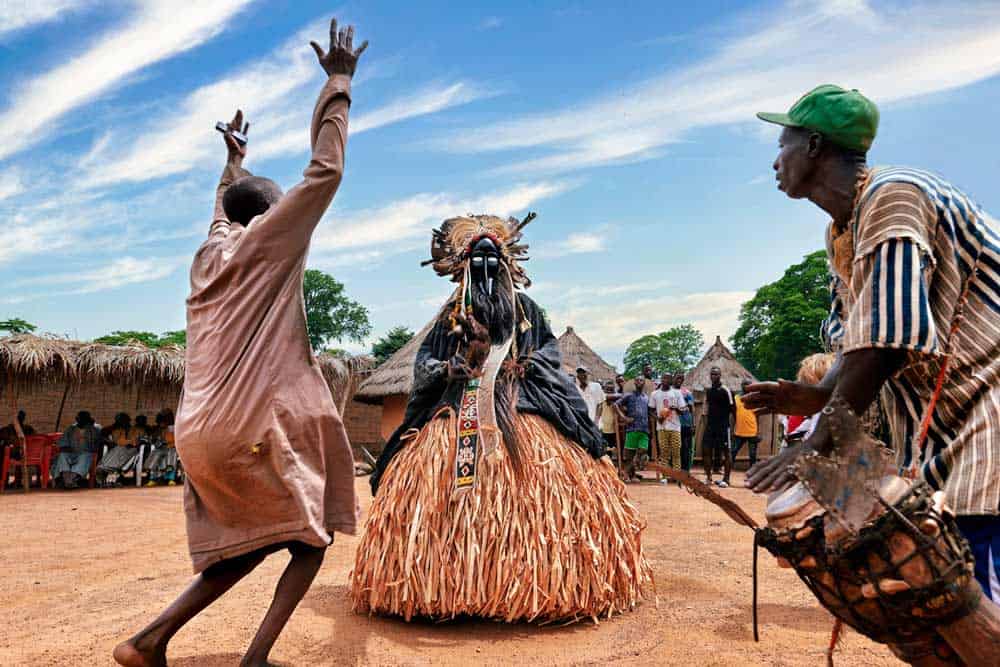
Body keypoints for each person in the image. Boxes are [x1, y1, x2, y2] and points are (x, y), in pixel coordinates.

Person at [114, 20, 367, 667]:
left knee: (259, 539)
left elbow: (220, 209)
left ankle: (150, 640)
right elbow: (326, 170)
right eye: (279, 206)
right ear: (268, 217)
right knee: (310, 542)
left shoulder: (211, 253)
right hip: (243, 428)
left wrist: (233, 159)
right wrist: (338, 82)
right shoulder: (266, 247)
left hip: (195, 431)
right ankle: (253, 661)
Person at [746, 84, 1000, 663]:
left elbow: (885, 344)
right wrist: (810, 397)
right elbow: (859, 346)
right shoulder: (844, 230)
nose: (775, 158)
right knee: (932, 611)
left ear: (814, 145)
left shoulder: (893, 197)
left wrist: (813, 448)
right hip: (946, 427)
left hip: (988, 423)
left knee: (976, 603)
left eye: (783, 141)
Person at [353, 212, 648, 623]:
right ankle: (441, 585)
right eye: (478, 263)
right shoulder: (451, 314)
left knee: (543, 485)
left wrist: (524, 366)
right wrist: (451, 368)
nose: (487, 271)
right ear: (463, 269)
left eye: (494, 263)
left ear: (508, 267)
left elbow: (547, 355)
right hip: (457, 408)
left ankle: (537, 586)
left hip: (522, 404)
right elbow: (426, 362)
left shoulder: (525, 309)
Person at [615, 375, 653, 482]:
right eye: (637, 380)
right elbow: (615, 405)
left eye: (641, 380)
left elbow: (650, 411)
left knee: (643, 450)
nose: (639, 382)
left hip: (644, 430)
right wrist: (623, 417)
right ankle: (629, 475)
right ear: (634, 383)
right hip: (632, 429)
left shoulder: (646, 398)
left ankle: (625, 473)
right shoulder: (628, 396)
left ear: (644, 383)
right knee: (629, 456)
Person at [51, 411, 101, 489]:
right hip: (71, 452)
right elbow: (62, 443)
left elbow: (97, 445)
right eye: (79, 418)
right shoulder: (70, 429)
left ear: (88, 419)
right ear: (77, 419)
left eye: (84, 419)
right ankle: (68, 480)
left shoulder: (94, 430)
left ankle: (70, 479)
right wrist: (66, 448)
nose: (81, 420)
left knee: (86, 456)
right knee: (62, 455)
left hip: (85, 453)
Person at [702, 367, 734, 488]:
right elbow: (708, 408)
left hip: (723, 427)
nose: (713, 376)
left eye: (716, 374)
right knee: (706, 450)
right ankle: (709, 477)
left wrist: (731, 425)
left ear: (720, 375)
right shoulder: (709, 391)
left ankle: (726, 479)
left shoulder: (725, 390)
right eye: (712, 374)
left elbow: (733, 409)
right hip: (711, 426)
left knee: (726, 451)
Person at [649, 372, 684, 483]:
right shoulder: (655, 394)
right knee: (664, 451)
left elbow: (683, 410)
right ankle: (664, 476)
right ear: (661, 379)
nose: (665, 380)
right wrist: (657, 418)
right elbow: (650, 410)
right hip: (662, 427)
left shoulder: (677, 393)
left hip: (675, 427)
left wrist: (676, 409)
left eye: (668, 378)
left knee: (676, 451)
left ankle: (676, 475)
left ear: (671, 380)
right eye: (664, 378)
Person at [98, 413, 139, 486]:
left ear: (127, 421)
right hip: (119, 449)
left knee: (119, 449)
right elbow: (114, 440)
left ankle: (108, 468)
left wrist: (125, 442)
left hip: (131, 450)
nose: (121, 423)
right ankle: (106, 469)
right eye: (119, 421)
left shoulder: (133, 430)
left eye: (123, 421)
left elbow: (133, 442)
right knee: (117, 449)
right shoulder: (116, 429)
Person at [144, 409, 179, 486]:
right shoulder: (158, 429)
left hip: (171, 448)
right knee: (155, 456)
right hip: (160, 448)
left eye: (163, 422)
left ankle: (171, 479)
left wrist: (168, 440)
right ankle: (153, 479)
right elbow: (154, 439)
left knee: (170, 457)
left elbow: (173, 439)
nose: (161, 424)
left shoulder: (173, 428)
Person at [731, 380, 760, 467]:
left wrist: (758, 430)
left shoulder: (754, 398)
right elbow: (733, 412)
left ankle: (752, 469)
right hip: (739, 430)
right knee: (733, 450)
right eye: (744, 384)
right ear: (741, 385)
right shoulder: (736, 398)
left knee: (752, 453)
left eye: (748, 385)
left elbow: (758, 415)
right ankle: (728, 467)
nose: (746, 386)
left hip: (752, 430)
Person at [674, 374, 696, 471]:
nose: (679, 380)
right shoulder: (669, 392)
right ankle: (675, 471)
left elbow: (692, 409)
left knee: (686, 448)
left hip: (686, 423)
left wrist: (693, 424)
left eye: (681, 378)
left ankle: (685, 471)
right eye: (678, 378)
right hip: (673, 424)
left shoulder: (687, 393)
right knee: (674, 448)